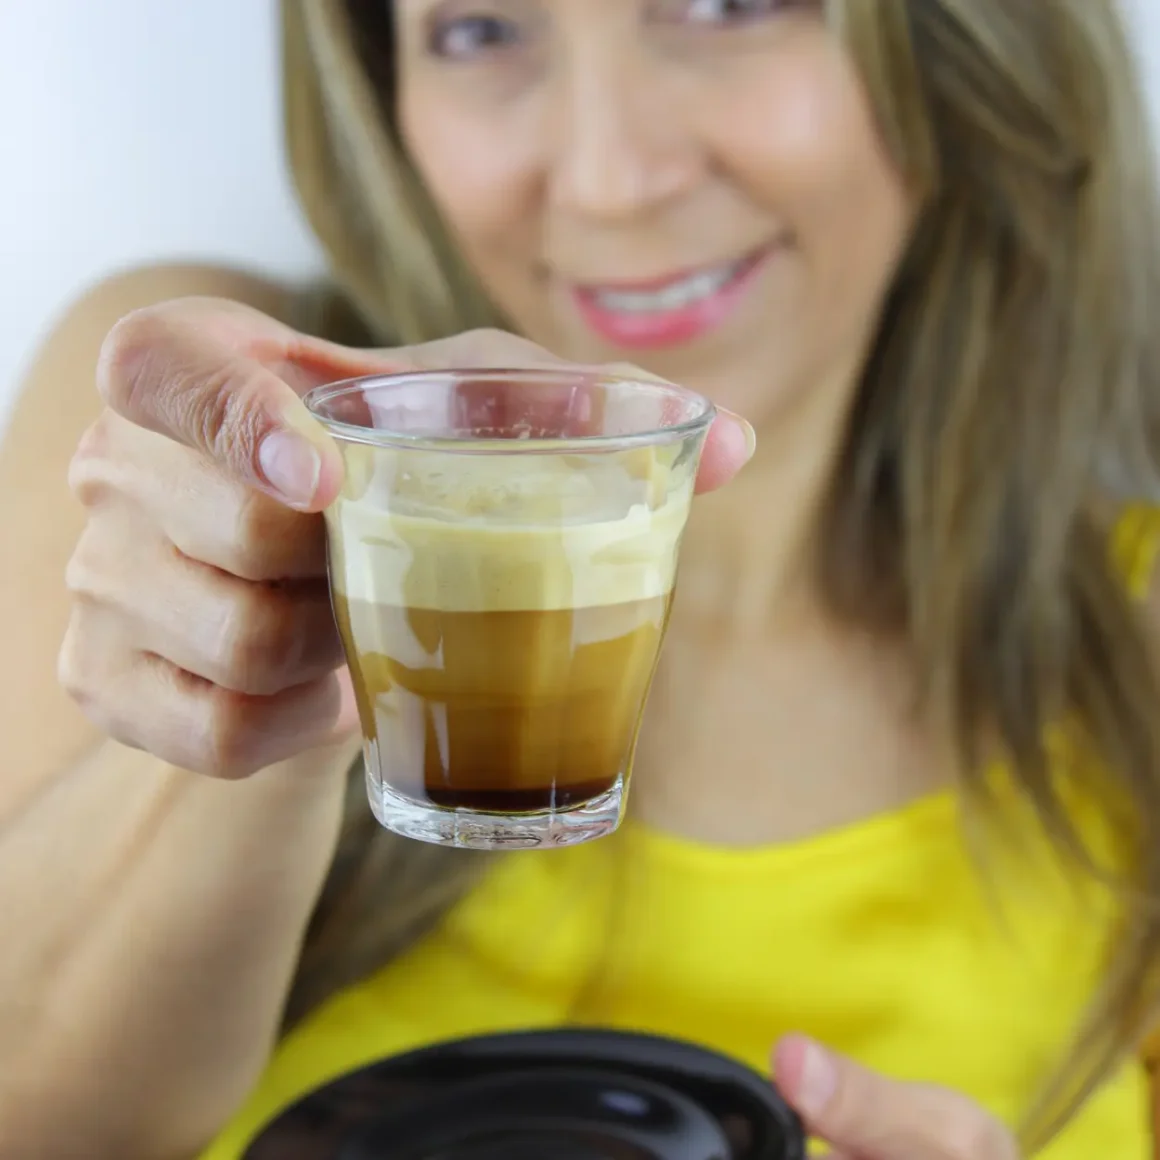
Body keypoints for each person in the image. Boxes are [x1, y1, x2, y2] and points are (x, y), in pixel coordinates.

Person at [3, 0, 1160, 1156]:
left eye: (727, 6)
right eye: (478, 31)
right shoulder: (177, 436)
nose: (609, 178)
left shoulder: (1134, 635)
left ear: (953, 49)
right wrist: (271, 640)